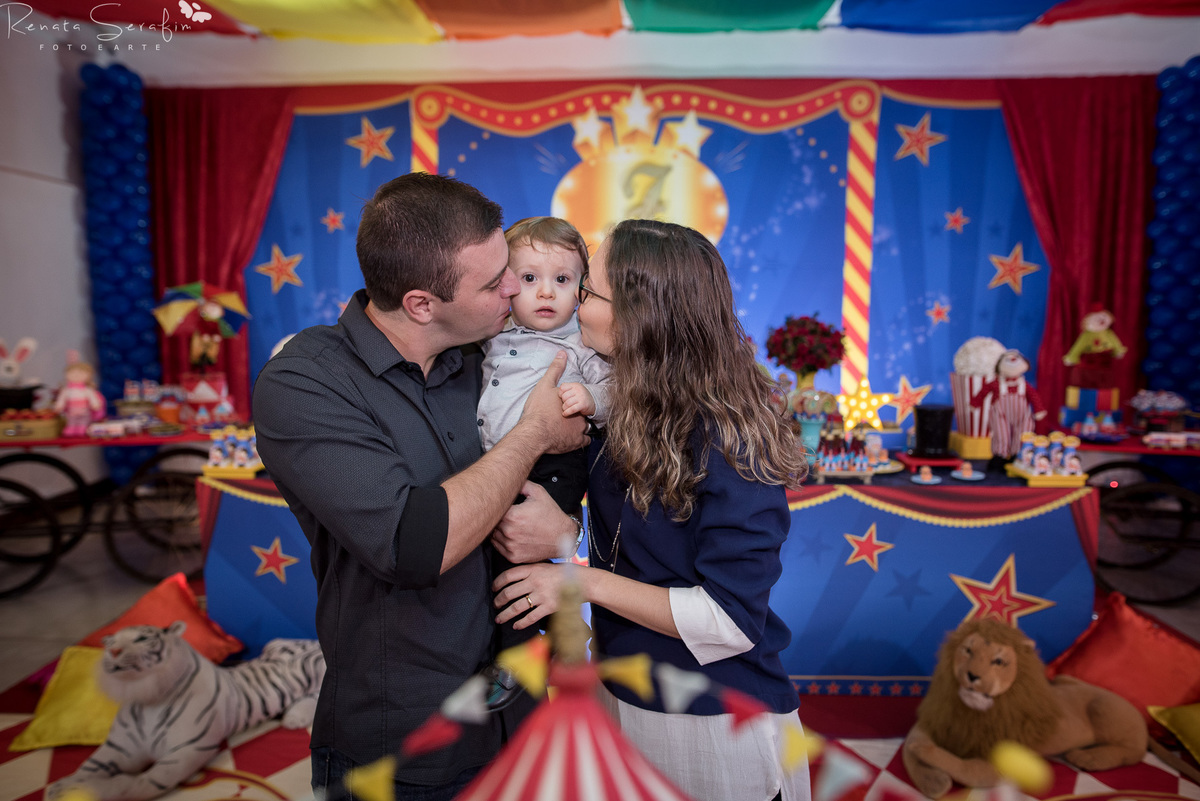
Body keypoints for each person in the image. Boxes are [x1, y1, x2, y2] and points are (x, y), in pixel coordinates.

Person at [252, 174, 588, 799]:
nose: (513, 289)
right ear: (421, 304)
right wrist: (534, 432)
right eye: (493, 282)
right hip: (407, 735)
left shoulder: (488, 354)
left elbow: (569, 483)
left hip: (524, 712)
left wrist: (567, 529)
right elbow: (414, 546)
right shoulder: (306, 382)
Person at [491, 218, 812, 801]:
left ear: (638, 318)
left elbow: (731, 620)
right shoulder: (625, 405)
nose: (574, 302)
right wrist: (566, 530)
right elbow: (638, 541)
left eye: (588, 290)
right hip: (625, 693)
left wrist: (578, 583)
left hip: (712, 723)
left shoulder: (726, 438)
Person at [477, 216, 611, 651]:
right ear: (505, 284)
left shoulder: (581, 343)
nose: (546, 292)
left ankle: (548, 636)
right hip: (497, 463)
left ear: (582, 290)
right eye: (530, 278)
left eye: (562, 280)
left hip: (553, 465)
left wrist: (590, 398)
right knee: (497, 558)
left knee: (518, 551)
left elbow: (616, 392)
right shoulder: (493, 336)